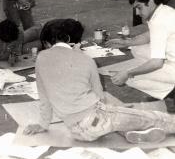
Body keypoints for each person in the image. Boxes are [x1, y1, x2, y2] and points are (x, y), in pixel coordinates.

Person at [23, 18, 175, 144]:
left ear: (49, 43)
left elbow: (44, 98)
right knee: (149, 117)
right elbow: (100, 96)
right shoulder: (85, 60)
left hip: (76, 131)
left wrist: (42, 125)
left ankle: (130, 131)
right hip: (95, 121)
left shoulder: (41, 59)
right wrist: (118, 108)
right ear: (72, 40)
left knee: (120, 117)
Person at [106, 0, 175, 100]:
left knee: (131, 79)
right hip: (170, 58)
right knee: (136, 48)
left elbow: (157, 63)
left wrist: (128, 73)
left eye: (139, 8)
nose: (137, 13)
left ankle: (169, 91)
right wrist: (126, 43)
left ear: (151, 2)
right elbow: (149, 35)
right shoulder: (164, 10)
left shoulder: (159, 21)